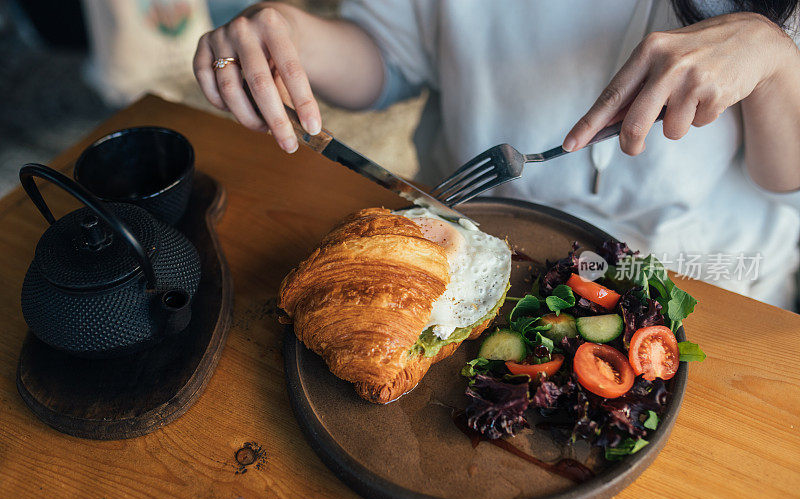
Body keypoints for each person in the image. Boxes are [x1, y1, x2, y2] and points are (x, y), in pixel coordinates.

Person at [193, 0, 800, 309]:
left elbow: (789, 179)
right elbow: (389, 53)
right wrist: (286, 37)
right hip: (471, 246)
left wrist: (774, 60)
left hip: (706, 282)